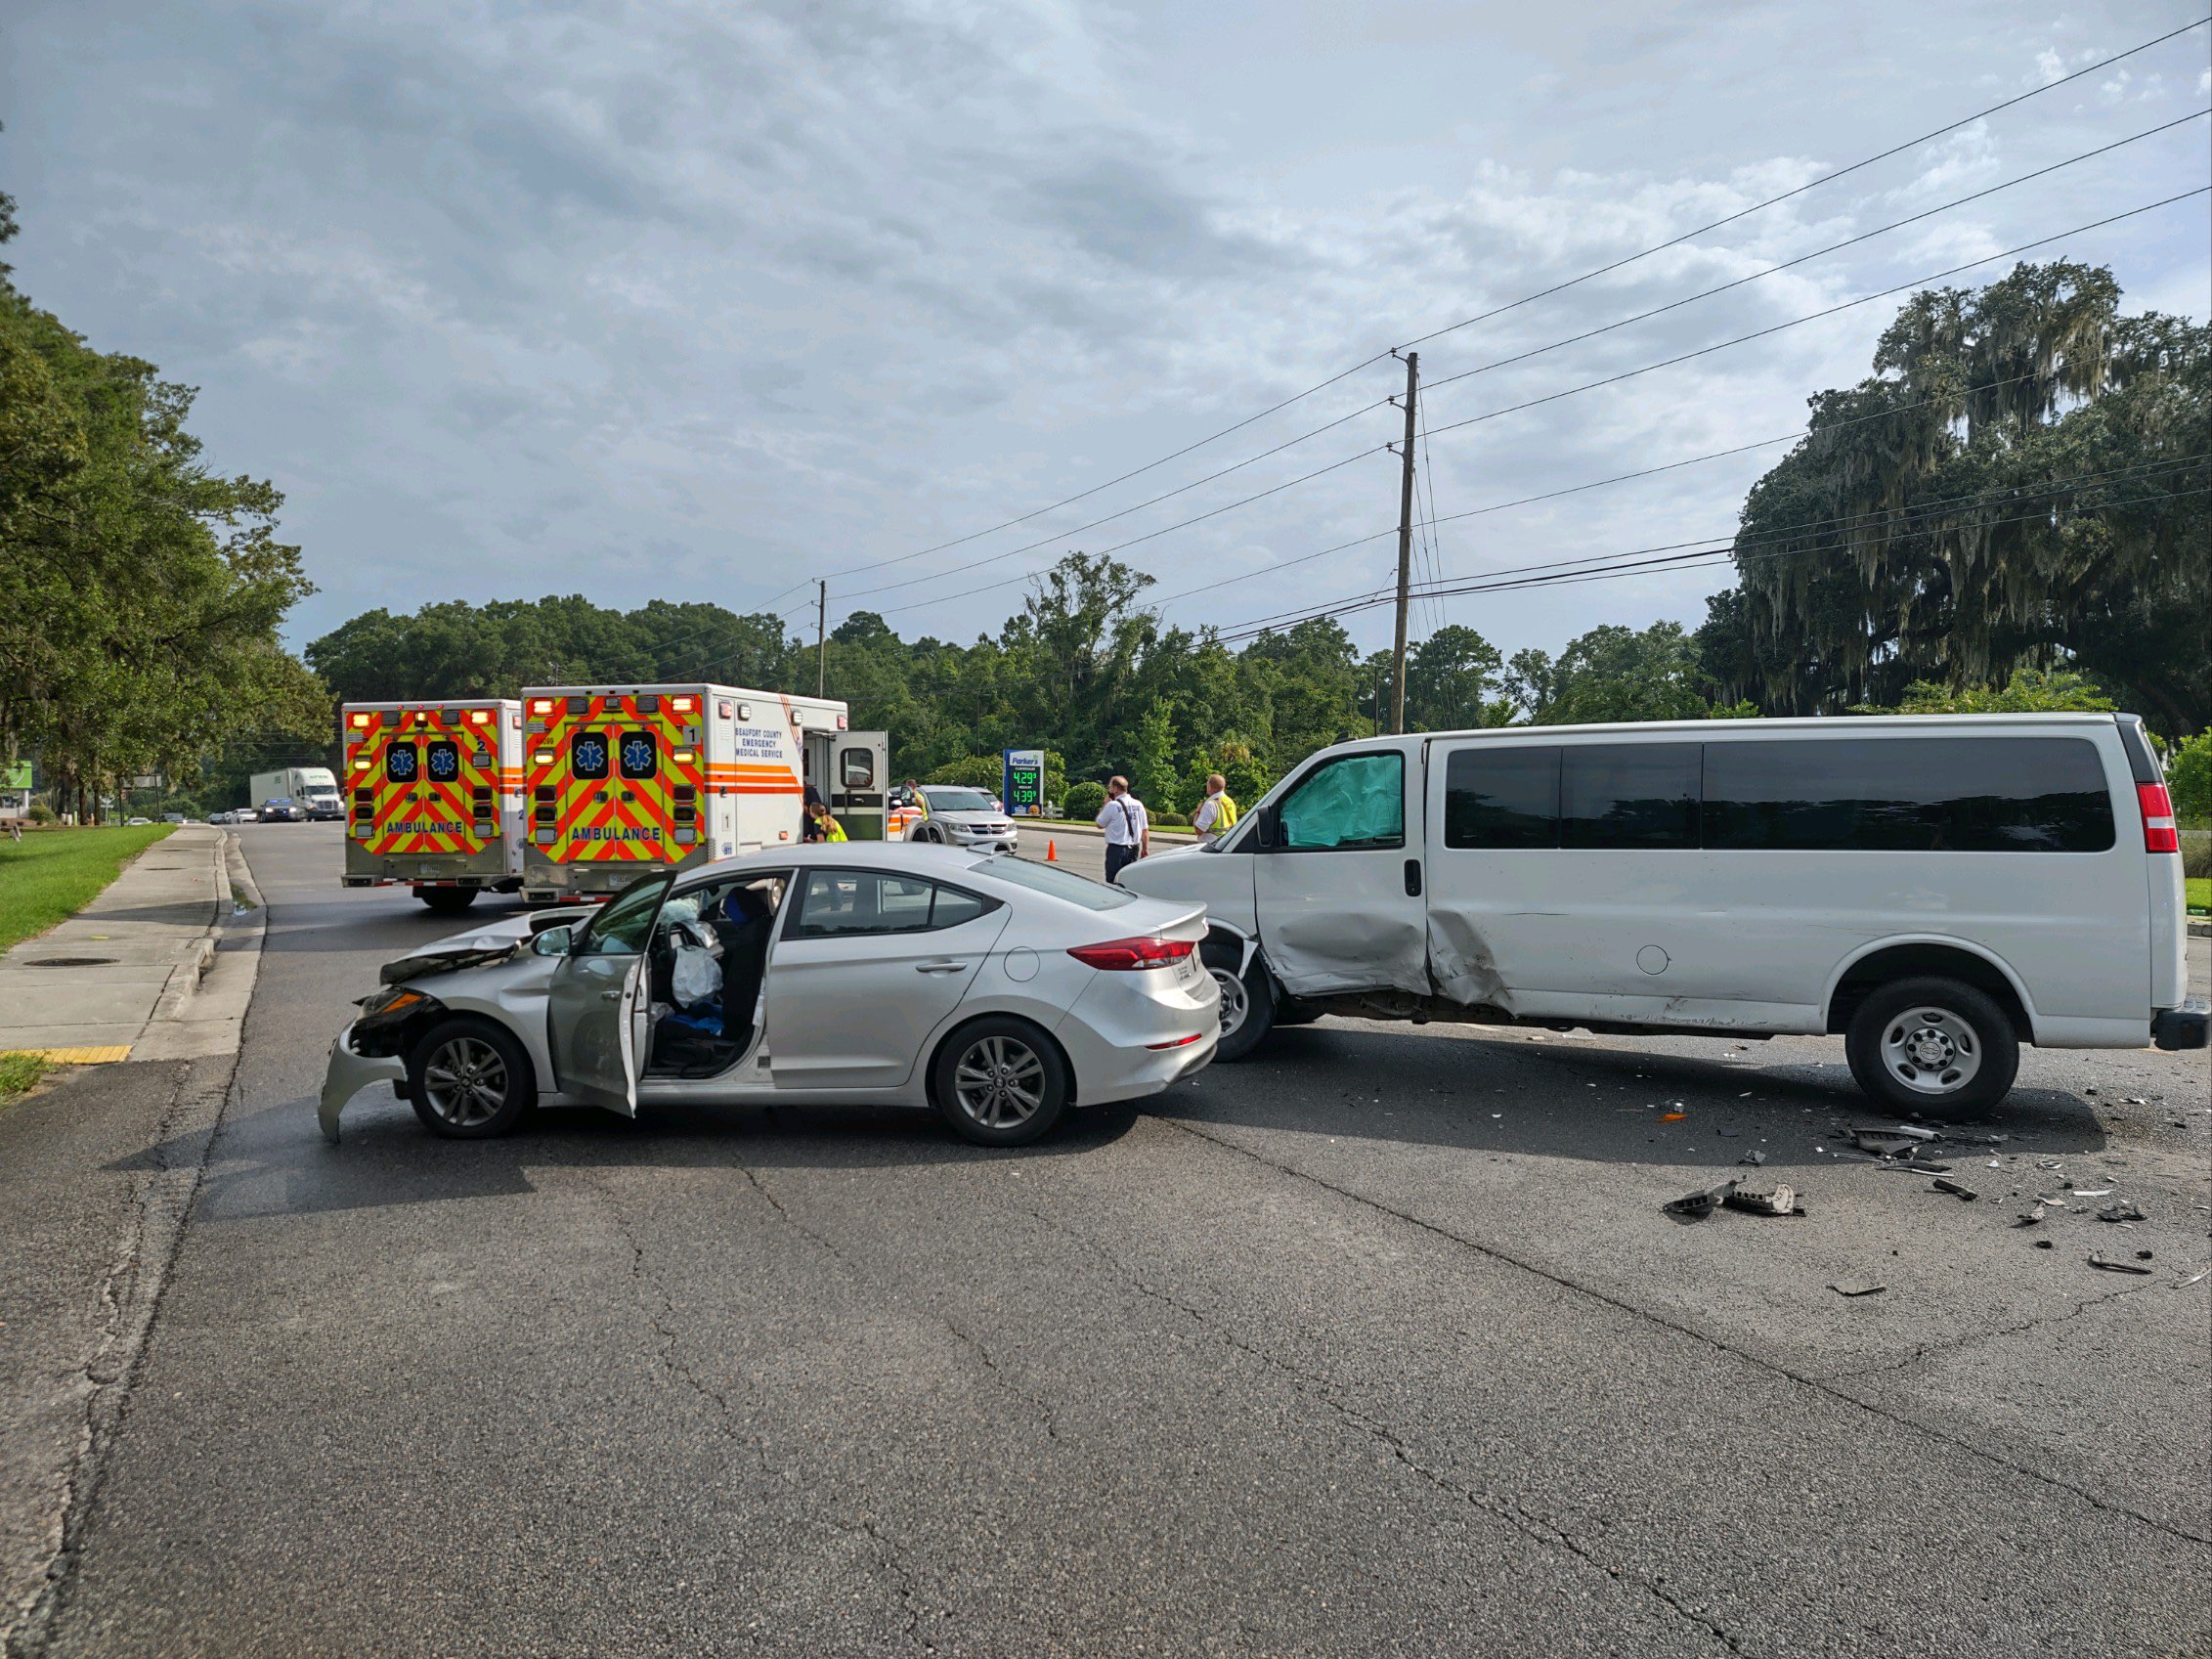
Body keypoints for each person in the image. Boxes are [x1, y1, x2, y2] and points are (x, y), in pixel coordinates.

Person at [1096, 775, 1149, 885]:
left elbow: (1099, 824)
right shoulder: (1138, 804)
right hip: (1134, 849)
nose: (1109, 790)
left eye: (1110, 787)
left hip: (1116, 850)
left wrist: (1105, 805)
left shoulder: (1112, 805)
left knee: (1113, 882)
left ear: (1115, 789)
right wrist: (1145, 849)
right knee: (1129, 881)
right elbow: (1145, 831)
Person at [1191, 773, 1239, 843]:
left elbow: (1198, 830)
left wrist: (1197, 811)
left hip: (1211, 846)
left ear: (1210, 787)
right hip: (1227, 843)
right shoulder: (1230, 801)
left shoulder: (1210, 805)